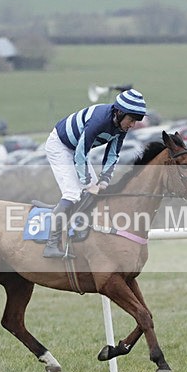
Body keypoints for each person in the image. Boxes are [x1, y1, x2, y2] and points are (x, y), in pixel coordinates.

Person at [42, 88, 147, 258]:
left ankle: (77, 229)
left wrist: (104, 180)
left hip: (77, 150)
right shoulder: (99, 121)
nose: (133, 125)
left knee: (95, 191)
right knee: (73, 193)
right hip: (60, 146)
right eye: (132, 119)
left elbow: (112, 154)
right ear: (120, 113)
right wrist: (89, 183)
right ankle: (51, 244)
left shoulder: (121, 128)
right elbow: (80, 153)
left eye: (136, 120)